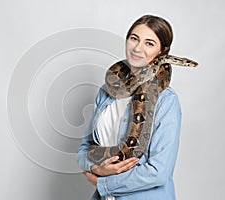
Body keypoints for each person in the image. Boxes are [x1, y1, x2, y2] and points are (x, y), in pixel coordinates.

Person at [76, 14, 182, 200]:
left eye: (149, 43)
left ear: (162, 53)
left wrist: (102, 182)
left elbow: (159, 171)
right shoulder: (105, 92)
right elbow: (84, 150)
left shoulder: (166, 100)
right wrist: (95, 168)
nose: (137, 48)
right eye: (134, 38)